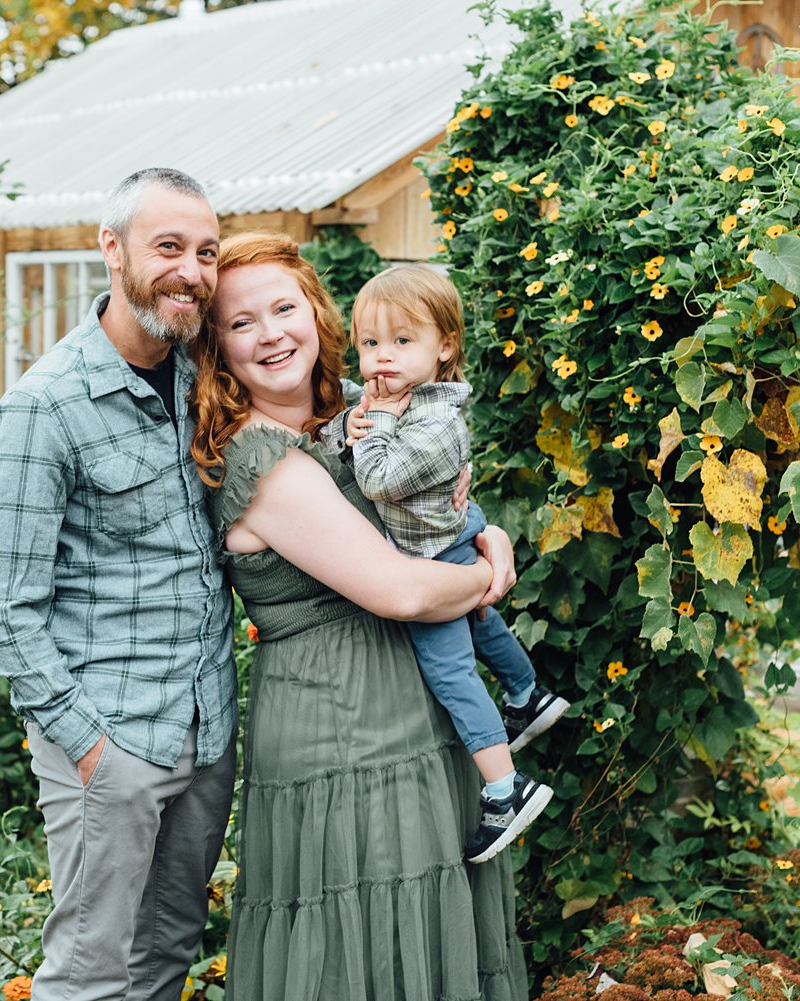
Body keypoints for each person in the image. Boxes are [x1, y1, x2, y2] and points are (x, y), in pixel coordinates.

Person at [191, 231, 528, 1001]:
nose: (272, 332)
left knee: (429, 923)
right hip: (339, 726)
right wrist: (484, 573)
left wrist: (485, 530)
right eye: (242, 323)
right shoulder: (261, 457)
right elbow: (402, 591)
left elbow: (432, 512)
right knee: (362, 939)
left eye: (285, 307)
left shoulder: (361, 412)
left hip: (417, 711)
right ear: (217, 350)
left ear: (316, 311)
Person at [0, 168, 238, 1001]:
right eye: (168, 247)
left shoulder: (208, 379)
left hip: (204, 732)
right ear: (110, 249)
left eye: (206, 252)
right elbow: (2, 611)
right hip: (111, 742)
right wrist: (92, 749)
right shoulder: (45, 408)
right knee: (88, 973)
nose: (190, 270)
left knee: (167, 954)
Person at [346, 266, 569, 864]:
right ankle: (527, 694)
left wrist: (372, 427)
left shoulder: (434, 421)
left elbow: (380, 478)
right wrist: (357, 416)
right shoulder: (406, 398)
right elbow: (348, 406)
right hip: (449, 532)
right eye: (370, 344)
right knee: (482, 622)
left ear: (444, 346)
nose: (380, 359)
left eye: (401, 341)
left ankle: (506, 789)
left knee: (450, 673)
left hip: (433, 552)